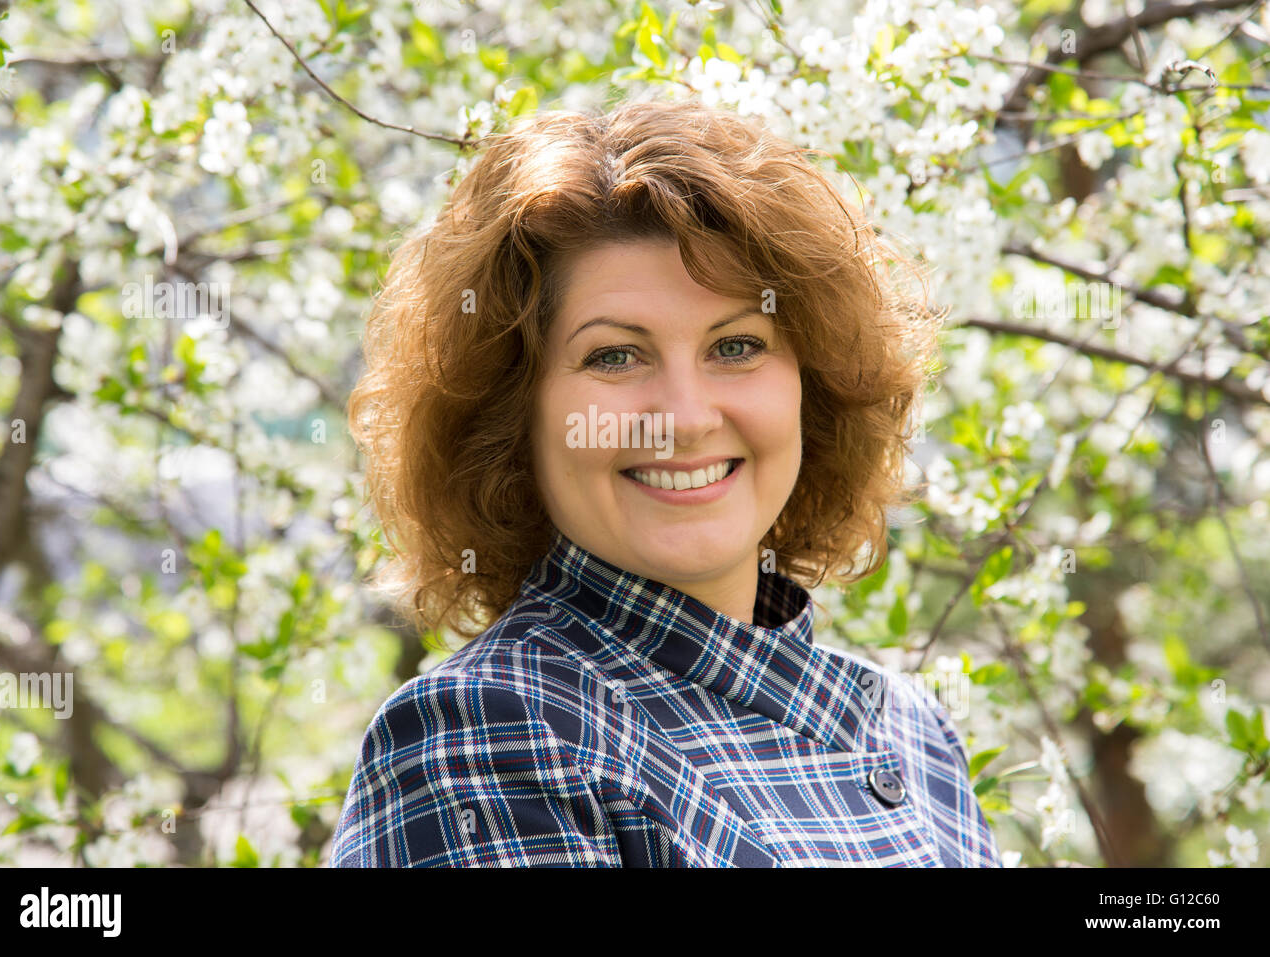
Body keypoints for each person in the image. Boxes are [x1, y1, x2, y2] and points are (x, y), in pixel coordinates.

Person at [329, 93, 1002, 866]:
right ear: (513, 414)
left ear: (813, 384)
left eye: (738, 345)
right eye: (615, 355)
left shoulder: (915, 733)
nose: (684, 417)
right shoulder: (489, 730)